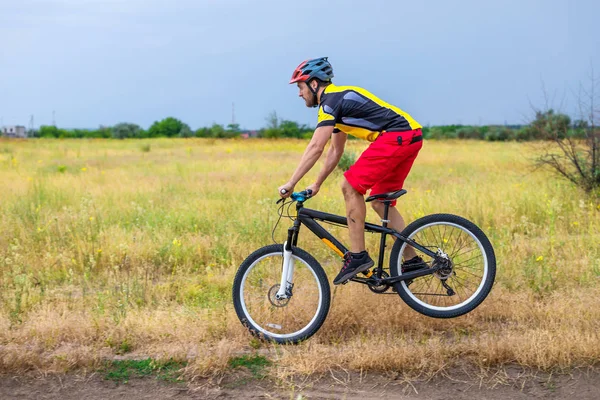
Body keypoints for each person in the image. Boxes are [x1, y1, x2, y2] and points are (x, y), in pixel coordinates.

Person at [278, 57, 424, 285]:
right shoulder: (337, 104)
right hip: (409, 135)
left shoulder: (331, 103)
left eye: (300, 86)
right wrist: (316, 183)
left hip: (397, 136)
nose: (299, 93)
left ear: (314, 84)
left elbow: (316, 147)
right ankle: (413, 260)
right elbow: (335, 151)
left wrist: (291, 182)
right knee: (379, 201)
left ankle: (358, 256)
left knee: (349, 186)